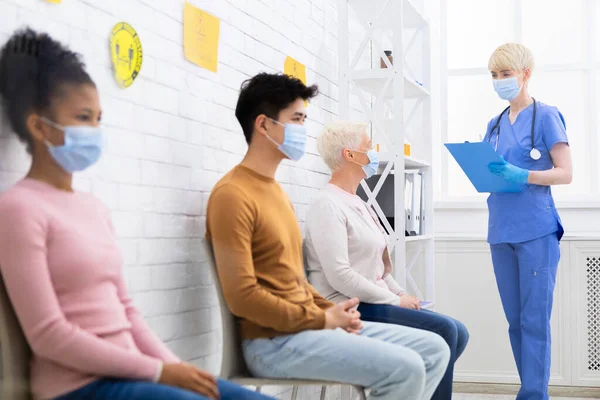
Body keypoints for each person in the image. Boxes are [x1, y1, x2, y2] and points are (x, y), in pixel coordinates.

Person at [0, 28, 274, 400]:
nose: (94, 130)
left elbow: (125, 309)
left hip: (134, 374)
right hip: (77, 387)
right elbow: (48, 335)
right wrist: (159, 371)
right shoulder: (18, 208)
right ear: (38, 126)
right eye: (82, 117)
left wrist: (176, 369)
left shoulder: (92, 208)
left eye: (98, 118)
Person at [205, 72, 451, 400]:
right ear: (263, 125)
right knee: (406, 367)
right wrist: (321, 318)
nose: (304, 131)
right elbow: (242, 296)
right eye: (296, 119)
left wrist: (332, 315)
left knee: (435, 349)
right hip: (272, 343)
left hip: (305, 327)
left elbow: (294, 283)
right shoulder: (232, 194)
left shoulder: (275, 192)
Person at [303, 121, 469, 400]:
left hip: (372, 299)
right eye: (368, 147)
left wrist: (401, 293)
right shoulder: (326, 204)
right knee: (444, 330)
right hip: (347, 306)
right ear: (350, 155)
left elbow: (378, 268)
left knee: (458, 332)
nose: (374, 153)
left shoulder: (358, 203)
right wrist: (393, 302)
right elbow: (340, 276)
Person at [483, 43, 572, 400]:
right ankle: (529, 390)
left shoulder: (547, 116)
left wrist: (523, 175)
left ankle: (535, 395)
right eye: (494, 75)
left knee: (535, 320)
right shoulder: (494, 123)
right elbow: (492, 171)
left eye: (506, 74)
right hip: (500, 228)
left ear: (525, 74)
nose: (500, 81)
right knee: (516, 323)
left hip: (536, 229)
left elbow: (565, 174)